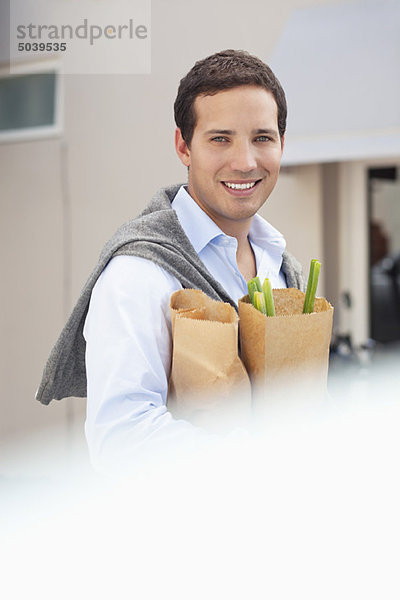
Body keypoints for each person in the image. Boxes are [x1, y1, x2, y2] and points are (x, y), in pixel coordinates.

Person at [36, 49, 304, 471]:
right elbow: (122, 438)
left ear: (282, 145)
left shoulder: (283, 267)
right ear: (184, 146)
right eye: (221, 138)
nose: (245, 161)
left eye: (262, 138)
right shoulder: (140, 272)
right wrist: (261, 462)